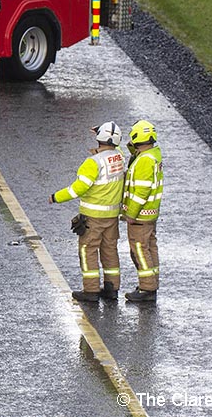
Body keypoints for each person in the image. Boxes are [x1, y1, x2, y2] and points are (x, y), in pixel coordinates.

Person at [50, 121, 126, 303]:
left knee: (88, 250)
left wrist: (55, 197)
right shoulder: (120, 157)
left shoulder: (92, 163)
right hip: (112, 216)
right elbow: (115, 148)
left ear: (99, 138)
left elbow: (78, 189)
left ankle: (91, 290)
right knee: (109, 251)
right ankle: (112, 288)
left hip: (93, 217)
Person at [122, 119, 163, 302]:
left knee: (139, 249)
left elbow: (142, 191)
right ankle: (152, 283)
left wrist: (131, 213)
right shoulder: (152, 154)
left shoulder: (144, 161)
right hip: (150, 214)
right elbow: (135, 157)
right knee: (149, 247)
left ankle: (147, 288)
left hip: (140, 215)